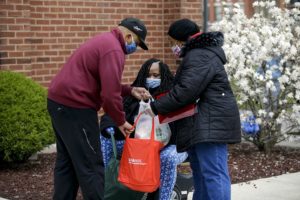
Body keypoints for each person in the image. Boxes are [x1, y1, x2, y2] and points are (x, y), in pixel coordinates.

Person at [47, 18, 151, 200]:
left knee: (67, 163)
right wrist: (120, 121)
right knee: (91, 165)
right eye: (136, 43)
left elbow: (104, 84)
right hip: (76, 108)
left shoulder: (104, 41)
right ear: (128, 36)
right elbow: (109, 95)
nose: (134, 49)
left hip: (58, 103)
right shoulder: (113, 50)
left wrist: (129, 90)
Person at [146, 19, 241, 200]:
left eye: (172, 43)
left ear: (183, 40)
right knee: (202, 174)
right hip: (201, 123)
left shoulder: (199, 55)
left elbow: (186, 92)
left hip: (209, 124)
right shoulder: (200, 54)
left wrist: (155, 107)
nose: (171, 47)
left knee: (213, 174)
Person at [99, 58, 188, 200]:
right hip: (139, 144)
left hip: (170, 144)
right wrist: (111, 127)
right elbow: (111, 114)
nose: (151, 79)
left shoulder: (172, 95)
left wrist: (155, 104)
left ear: (163, 76)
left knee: (168, 157)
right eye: (148, 75)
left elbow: (182, 126)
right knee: (105, 139)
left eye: (156, 75)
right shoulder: (134, 93)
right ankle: (107, 186)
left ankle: (162, 197)